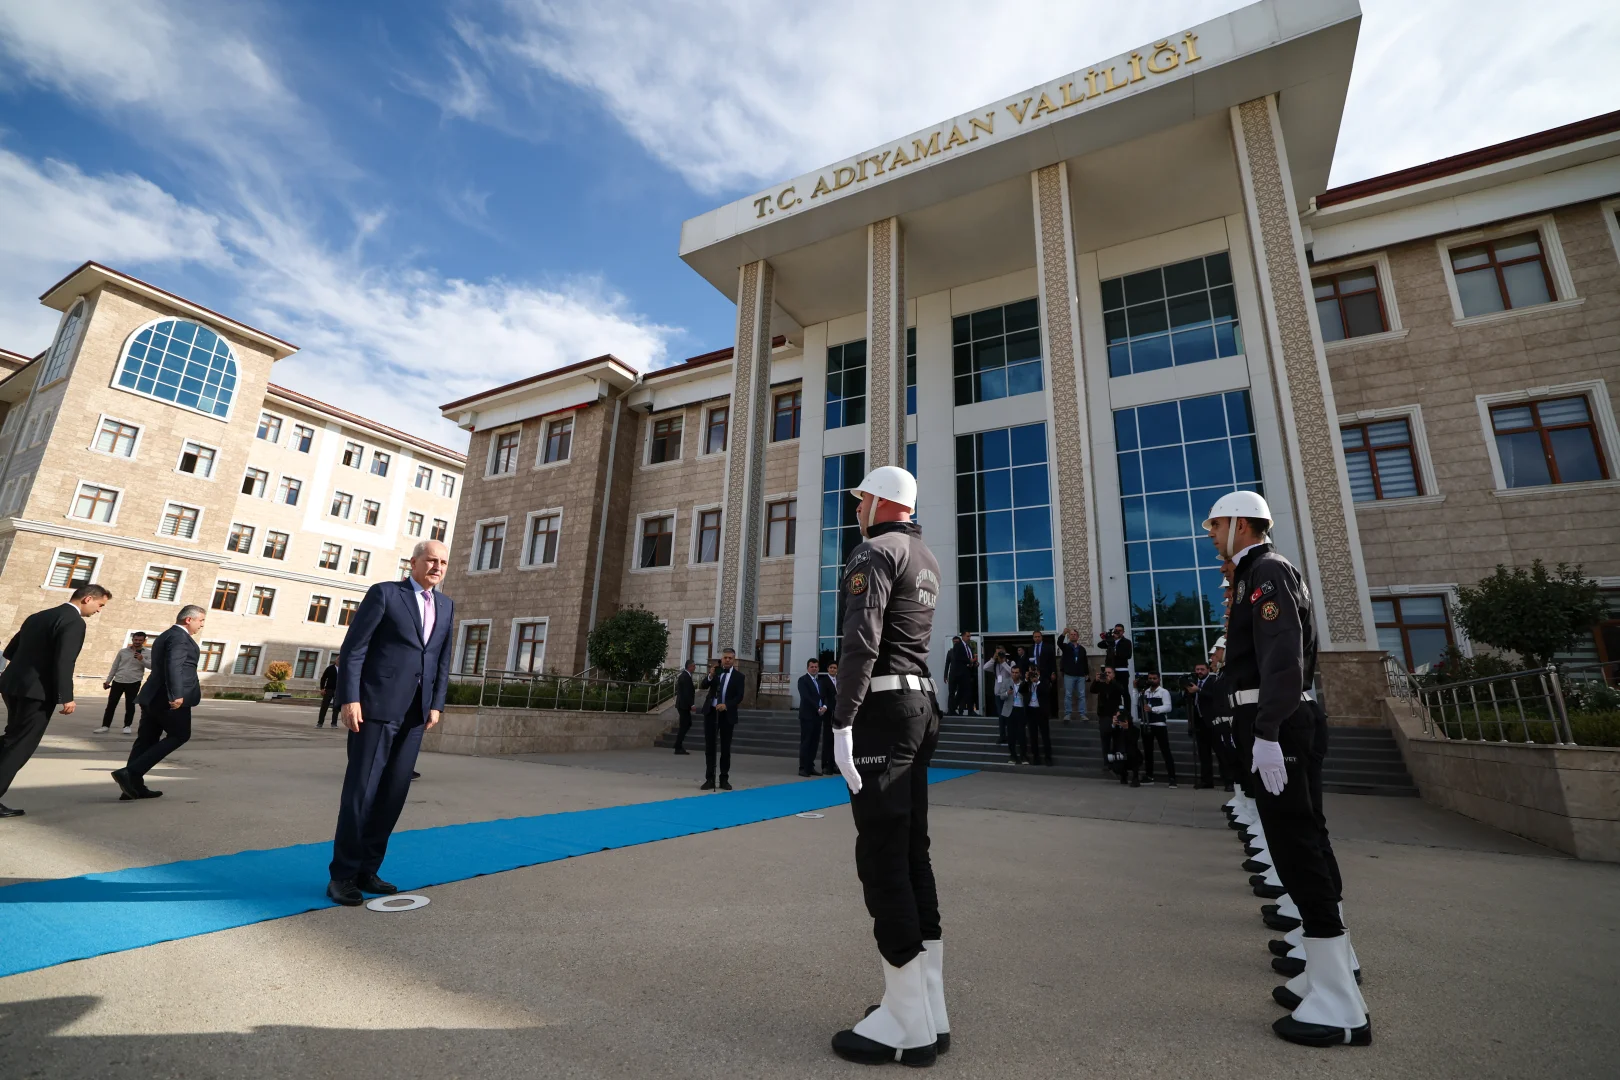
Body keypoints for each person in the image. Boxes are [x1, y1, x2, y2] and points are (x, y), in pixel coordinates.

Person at [1203, 491, 1369, 1047]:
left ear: (1244, 525)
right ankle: (1329, 972)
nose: (1209, 532)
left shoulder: (1267, 571)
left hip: (1278, 723)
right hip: (1272, 720)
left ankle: (1341, 1006)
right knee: (1301, 844)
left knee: (1298, 848)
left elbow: (1283, 655)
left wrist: (1269, 731)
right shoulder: (1258, 572)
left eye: (1217, 523)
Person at [827, 465, 948, 1066]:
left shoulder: (873, 550)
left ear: (878, 500)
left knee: (881, 853)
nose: (856, 507)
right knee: (910, 850)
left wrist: (842, 719)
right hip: (920, 703)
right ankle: (928, 1004)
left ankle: (906, 1021)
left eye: (860, 499)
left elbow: (861, 639)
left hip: (882, 707)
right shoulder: (925, 556)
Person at [324, 539, 454, 907]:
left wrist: (436, 704)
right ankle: (342, 876)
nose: (437, 567)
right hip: (375, 708)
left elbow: (442, 659)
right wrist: (350, 698)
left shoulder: (445, 605)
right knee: (362, 793)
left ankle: (368, 869)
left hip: (416, 714)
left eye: (443, 562)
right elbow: (355, 648)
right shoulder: (385, 594)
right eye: (430, 560)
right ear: (412, 562)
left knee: (393, 794)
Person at [0, 584, 109, 817]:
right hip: (37, 693)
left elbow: (10, 651)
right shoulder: (74, 622)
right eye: (100, 605)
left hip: (12, 685)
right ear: (87, 599)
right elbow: (64, 661)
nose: (99, 610)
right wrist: (66, 697)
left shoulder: (38, 616)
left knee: (12, 738)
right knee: (20, 745)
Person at [113, 605, 205, 801]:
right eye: (200, 621)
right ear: (189, 620)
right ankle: (131, 773)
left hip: (153, 695)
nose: (201, 625)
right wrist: (176, 694)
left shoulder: (165, 635)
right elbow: (174, 665)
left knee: (146, 740)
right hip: (169, 698)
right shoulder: (180, 638)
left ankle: (132, 788)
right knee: (180, 734)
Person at [700, 648, 745, 791]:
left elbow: (739, 696)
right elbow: (703, 686)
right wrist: (710, 675)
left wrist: (726, 705)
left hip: (727, 714)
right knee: (710, 747)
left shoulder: (739, 677)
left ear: (734, 660)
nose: (727, 660)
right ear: (721, 658)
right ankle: (709, 778)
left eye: (730, 658)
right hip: (711, 713)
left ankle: (724, 779)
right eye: (725, 657)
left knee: (725, 748)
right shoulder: (717, 672)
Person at [98, 632, 149, 734]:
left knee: (130, 705)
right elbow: (115, 666)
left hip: (134, 681)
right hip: (118, 680)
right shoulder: (123, 652)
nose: (137, 642)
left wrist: (142, 659)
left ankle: (127, 726)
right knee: (111, 704)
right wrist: (108, 680)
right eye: (135, 640)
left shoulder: (148, 653)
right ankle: (105, 726)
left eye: (140, 640)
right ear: (132, 639)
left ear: (144, 641)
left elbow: (152, 666)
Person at [1137, 671, 1176, 787]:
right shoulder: (1144, 692)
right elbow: (1136, 704)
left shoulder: (1163, 692)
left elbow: (1168, 707)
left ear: (1159, 679)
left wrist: (1153, 709)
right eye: (1150, 678)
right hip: (1146, 723)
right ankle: (1149, 776)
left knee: (1165, 751)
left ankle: (1172, 777)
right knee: (1148, 752)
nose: (1152, 680)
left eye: (1154, 678)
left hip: (1159, 724)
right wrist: (1135, 689)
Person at [1186, 662, 1218, 789]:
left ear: (1208, 670)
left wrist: (1198, 690)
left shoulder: (1213, 680)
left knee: (1221, 753)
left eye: (1202, 669)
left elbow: (1215, 696)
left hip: (1213, 721)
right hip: (1199, 723)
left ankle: (1229, 781)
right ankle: (1206, 781)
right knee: (1203, 754)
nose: (1199, 672)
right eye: (1197, 669)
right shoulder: (1194, 682)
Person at [1091, 666, 1128, 773]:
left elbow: (1122, 691)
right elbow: (1092, 690)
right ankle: (1107, 763)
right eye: (1105, 672)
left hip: (1115, 715)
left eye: (1109, 673)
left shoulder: (1116, 684)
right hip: (1104, 716)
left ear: (1113, 674)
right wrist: (1096, 680)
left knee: (1117, 739)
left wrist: (1111, 682)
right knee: (1105, 739)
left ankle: (1117, 763)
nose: (1107, 674)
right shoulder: (1101, 685)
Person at [797, 656, 827, 777]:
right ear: (807, 668)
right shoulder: (802, 680)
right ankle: (803, 768)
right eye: (811, 667)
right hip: (807, 716)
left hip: (818, 716)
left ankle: (811, 766)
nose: (814, 669)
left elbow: (823, 696)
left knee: (814, 742)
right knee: (806, 742)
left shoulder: (819, 682)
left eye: (816, 667)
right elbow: (806, 696)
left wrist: (824, 706)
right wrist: (817, 707)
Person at [1100, 624, 1133, 718]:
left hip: (1122, 669)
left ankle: (1127, 713)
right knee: (1111, 691)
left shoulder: (1126, 642)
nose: (1117, 632)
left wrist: (1115, 652)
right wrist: (1108, 639)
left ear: (1123, 632)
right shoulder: (1111, 641)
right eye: (1116, 630)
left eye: (1119, 630)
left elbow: (1128, 655)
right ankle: (1113, 712)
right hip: (1111, 670)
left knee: (1124, 692)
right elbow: (1100, 645)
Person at [1059, 627, 1088, 725]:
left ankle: (1083, 714)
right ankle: (1067, 714)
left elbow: (1085, 662)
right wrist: (1063, 633)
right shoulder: (1066, 647)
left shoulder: (1082, 649)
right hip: (1069, 675)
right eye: (1071, 634)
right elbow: (1059, 643)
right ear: (1069, 637)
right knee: (1068, 695)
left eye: (1075, 634)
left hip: (1080, 675)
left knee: (1082, 695)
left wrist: (1086, 673)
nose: (1073, 636)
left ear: (1078, 636)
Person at [817, 656, 838, 774]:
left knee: (836, 741)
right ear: (828, 669)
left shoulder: (840, 681)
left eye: (835, 668)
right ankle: (825, 765)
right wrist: (826, 706)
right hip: (828, 714)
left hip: (838, 715)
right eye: (831, 668)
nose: (833, 670)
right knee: (827, 740)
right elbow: (824, 697)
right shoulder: (824, 681)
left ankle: (834, 764)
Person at [672, 659, 696, 755]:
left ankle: (678, 744)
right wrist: (692, 704)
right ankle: (678, 746)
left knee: (686, 724)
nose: (695, 668)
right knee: (684, 725)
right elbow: (686, 693)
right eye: (694, 666)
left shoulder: (686, 676)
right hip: (683, 705)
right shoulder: (685, 677)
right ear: (689, 667)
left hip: (683, 705)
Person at [958, 632, 979, 714]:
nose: (969, 638)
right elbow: (959, 659)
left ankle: (970, 710)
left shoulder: (969, 647)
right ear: (963, 636)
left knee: (969, 692)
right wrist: (969, 661)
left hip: (969, 673)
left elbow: (970, 658)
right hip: (962, 673)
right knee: (963, 693)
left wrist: (974, 663)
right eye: (967, 636)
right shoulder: (959, 646)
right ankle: (960, 710)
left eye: (970, 636)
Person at [316, 657, 339, 728]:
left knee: (336, 707)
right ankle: (320, 723)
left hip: (338, 690)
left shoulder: (344, 669)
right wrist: (322, 688)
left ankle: (334, 723)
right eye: (338, 659)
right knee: (324, 706)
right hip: (329, 689)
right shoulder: (330, 668)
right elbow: (323, 678)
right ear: (335, 660)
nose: (339, 661)